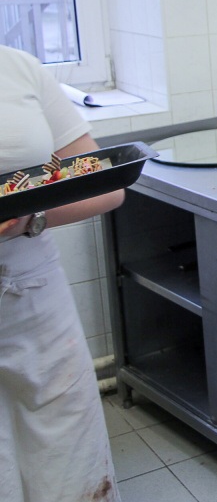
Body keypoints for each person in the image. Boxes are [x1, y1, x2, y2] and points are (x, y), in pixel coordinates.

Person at [0, 44, 124, 502]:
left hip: (35, 299)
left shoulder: (18, 68)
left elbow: (104, 185)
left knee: (67, 458)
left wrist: (29, 217)